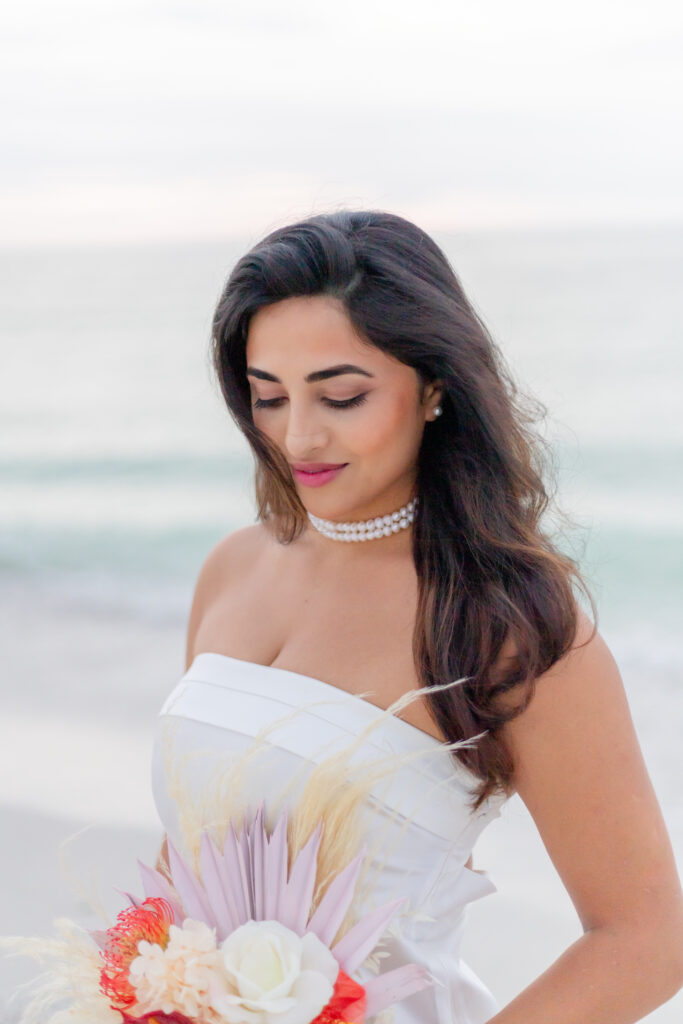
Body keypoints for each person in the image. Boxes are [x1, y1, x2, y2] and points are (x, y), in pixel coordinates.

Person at [151, 209, 683, 1023]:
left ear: (434, 386)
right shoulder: (233, 568)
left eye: (341, 394)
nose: (298, 435)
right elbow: (188, 856)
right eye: (267, 396)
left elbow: (647, 936)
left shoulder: (504, 627)